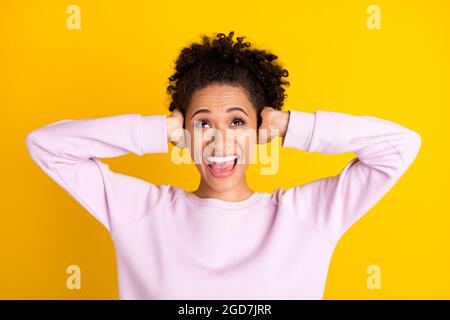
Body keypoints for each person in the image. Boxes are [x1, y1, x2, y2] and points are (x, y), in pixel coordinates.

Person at [25, 31, 422, 299]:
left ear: (259, 126)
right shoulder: (140, 211)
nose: (220, 141)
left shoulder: (307, 216)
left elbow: (399, 146)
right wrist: (157, 130)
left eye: (237, 122)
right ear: (184, 129)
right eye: (203, 123)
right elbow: (47, 145)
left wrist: (290, 125)